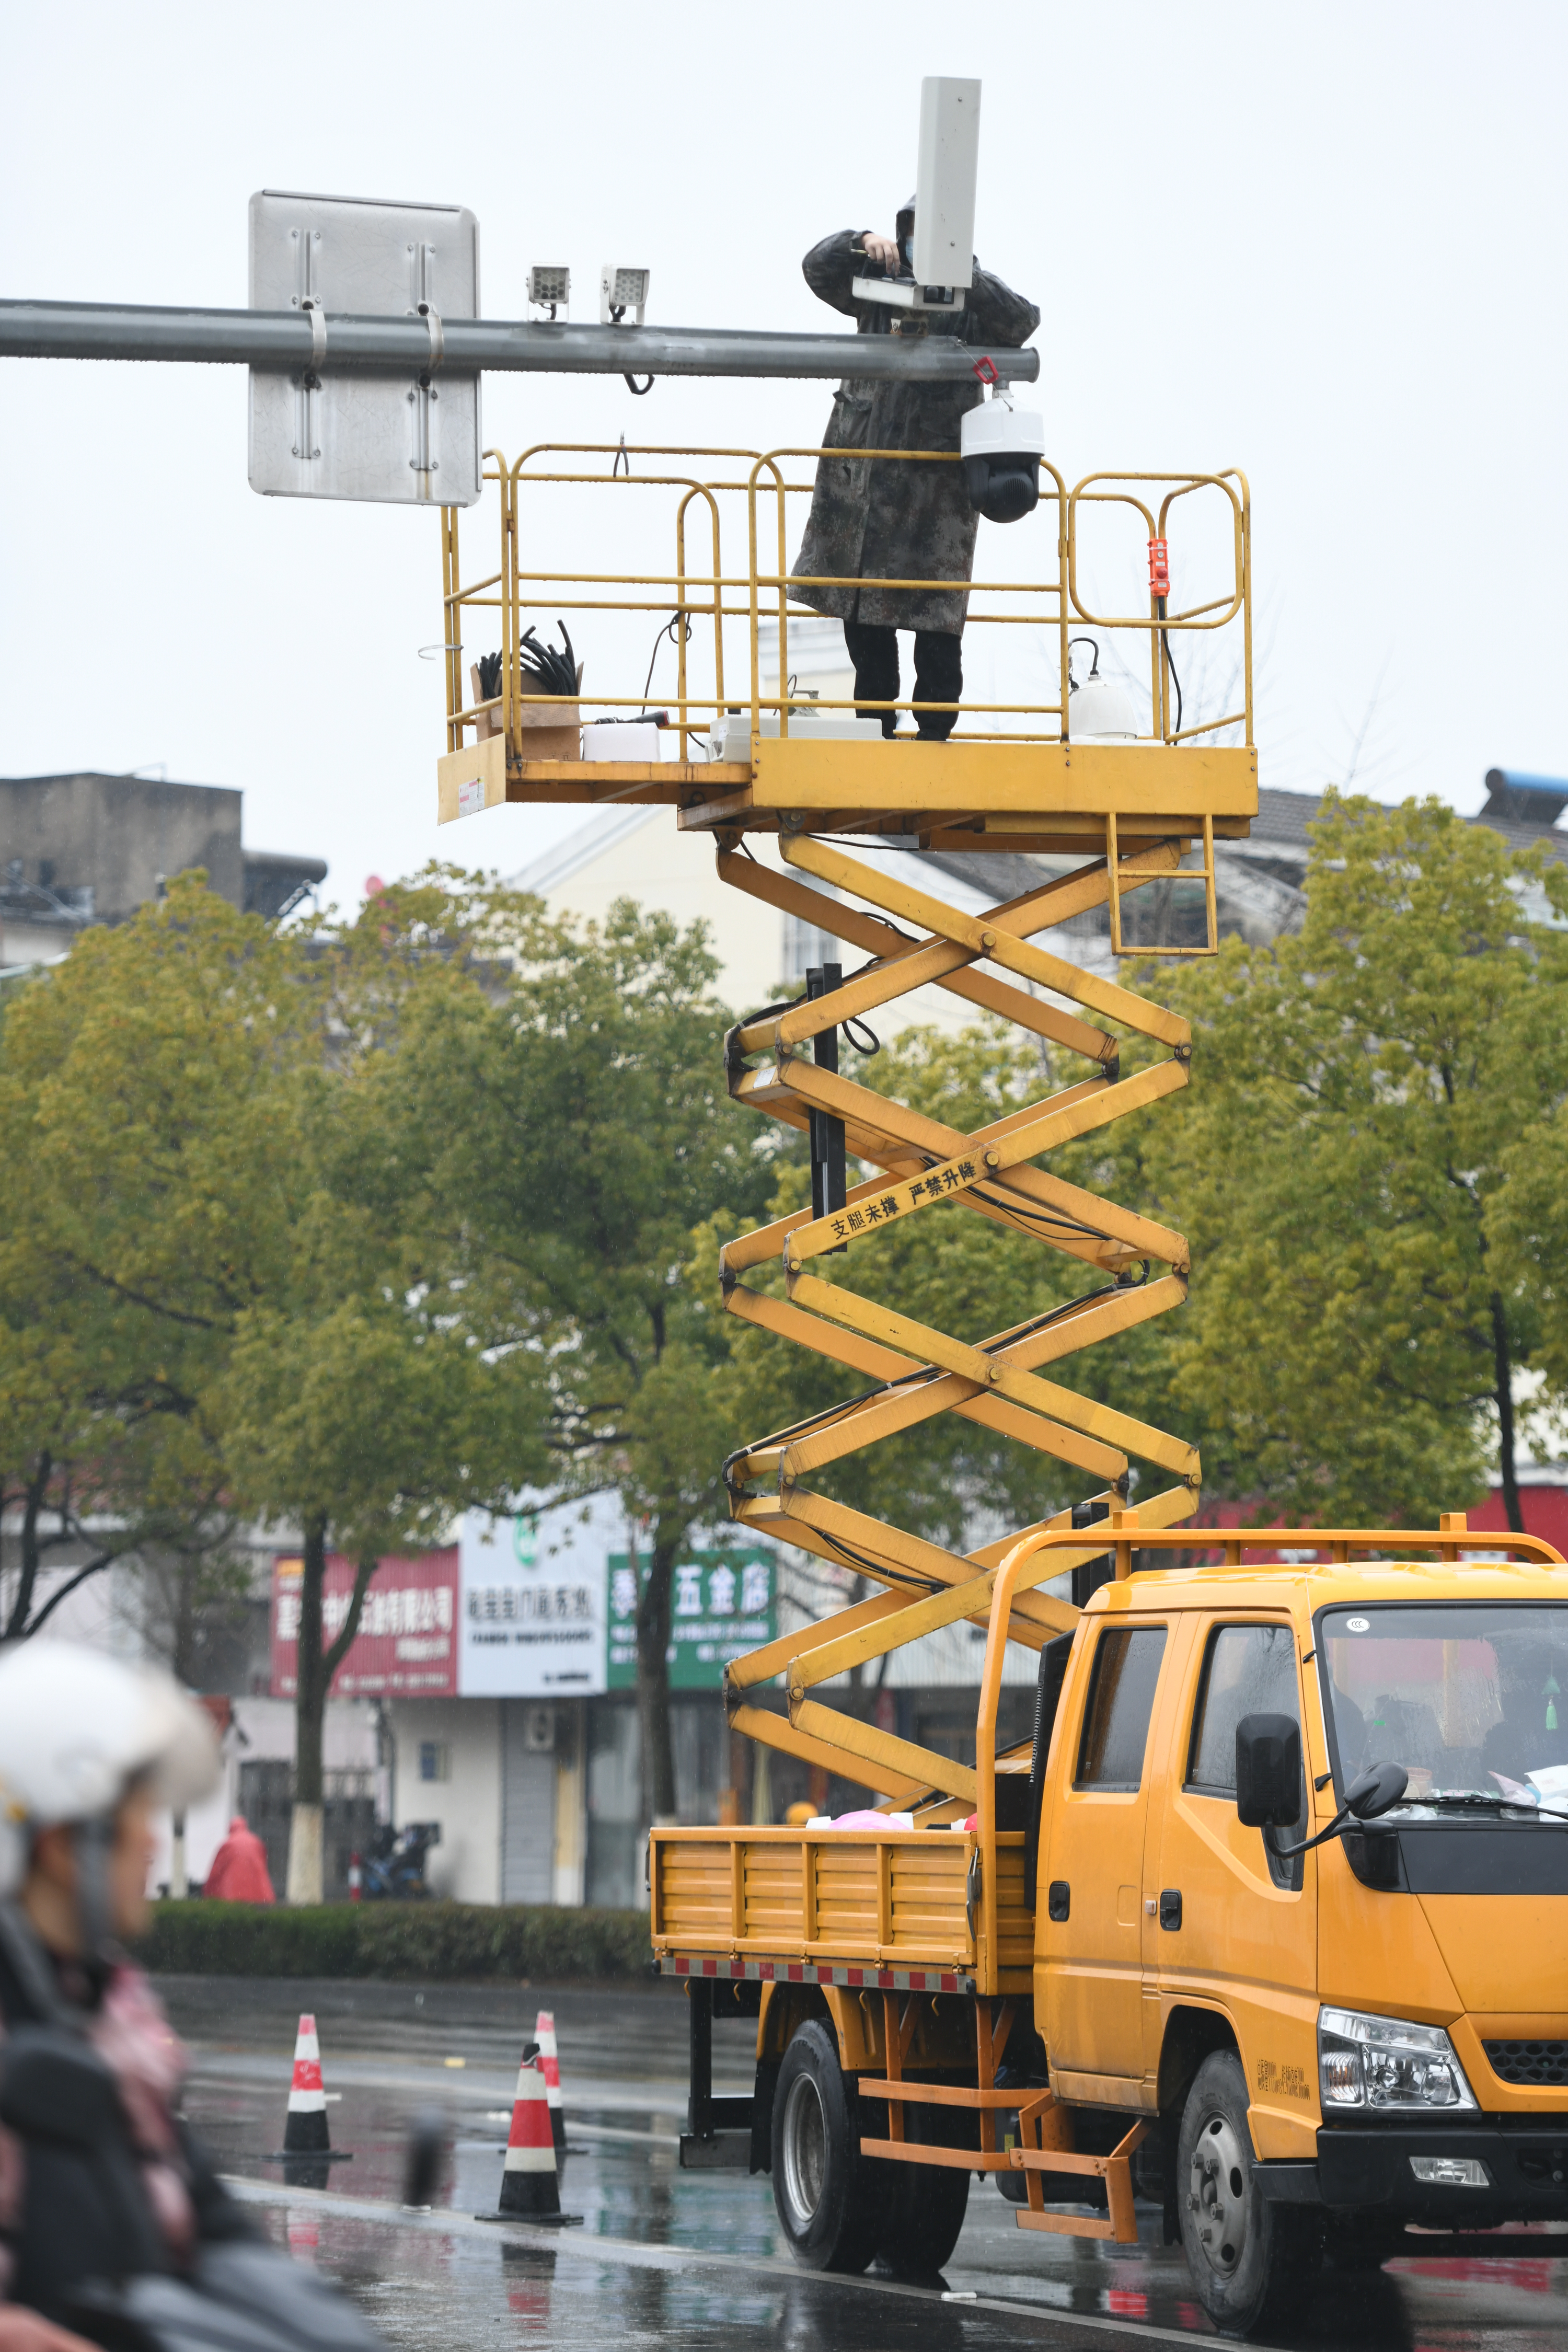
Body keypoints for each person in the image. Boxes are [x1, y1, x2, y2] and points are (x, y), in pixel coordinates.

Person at [0, 1644, 257, 2336]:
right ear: (61, 1847)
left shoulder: (112, 2023)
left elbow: (213, 2225)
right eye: (134, 1818)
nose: (150, 1842)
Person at [790, 200, 1039, 740]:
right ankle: (875, 724)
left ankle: (934, 734)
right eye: (911, 236)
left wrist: (964, 277)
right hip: (862, 488)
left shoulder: (972, 300)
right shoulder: (878, 288)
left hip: (934, 500)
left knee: (937, 624)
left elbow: (1022, 321)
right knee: (862, 618)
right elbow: (817, 268)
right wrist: (860, 240)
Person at [200, 1817, 274, 1905]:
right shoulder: (256, 1842)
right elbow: (264, 1864)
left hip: (234, 1892)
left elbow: (216, 1871)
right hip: (257, 1892)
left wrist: (208, 1891)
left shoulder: (228, 1844)